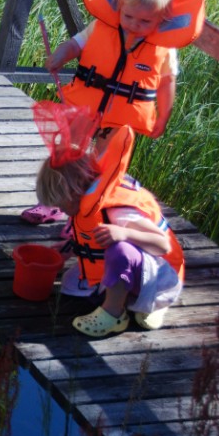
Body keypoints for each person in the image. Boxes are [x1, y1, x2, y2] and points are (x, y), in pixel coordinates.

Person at [21, 0, 205, 225]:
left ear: (163, 18)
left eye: (144, 21)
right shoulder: (103, 27)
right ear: (119, 5)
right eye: (128, 16)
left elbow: (166, 83)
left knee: (104, 165)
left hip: (120, 119)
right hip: (85, 108)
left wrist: (164, 115)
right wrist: (60, 55)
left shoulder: (164, 48)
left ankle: (86, 212)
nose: (133, 24)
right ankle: (51, 204)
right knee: (65, 156)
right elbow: (76, 44)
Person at [34, 124, 184, 337]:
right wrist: (68, 249)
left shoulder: (118, 211)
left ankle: (114, 314)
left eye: (63, 204)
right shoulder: (87, 202)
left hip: (160, 278)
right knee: (69, 286)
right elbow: (87, 236)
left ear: (77, 188)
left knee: (119, 249)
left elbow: (162, 245)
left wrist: (124, 233)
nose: (63, 210)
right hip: (138, 271)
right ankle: (131, 302)